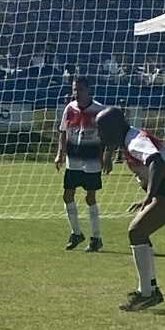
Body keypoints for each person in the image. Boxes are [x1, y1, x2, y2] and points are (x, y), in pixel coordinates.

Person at [94, 106, 165, 312]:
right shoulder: (129, 137)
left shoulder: (135, 142)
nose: (99, 134)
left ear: (115, 127)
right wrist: (108, 152)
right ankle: (149, 290)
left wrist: (149, 196)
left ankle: (147, 293)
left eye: (102, 129)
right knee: (140, 232)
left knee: (136, 231)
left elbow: (155, 161)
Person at [54, 74, 110, 251]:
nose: (76, 93)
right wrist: (59, 154)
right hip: (73, 159)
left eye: (80, 90)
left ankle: (96, 237)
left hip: (92, 160)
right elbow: (63, 132)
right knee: (67, 195)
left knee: (90, 197)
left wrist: (108, 156)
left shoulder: (99, 111)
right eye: (74, 90)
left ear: (88, 90)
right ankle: (76, 233)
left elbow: (109, 136)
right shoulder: (69, 109)